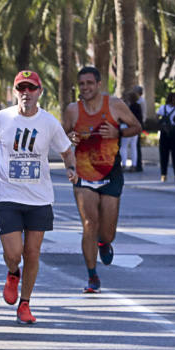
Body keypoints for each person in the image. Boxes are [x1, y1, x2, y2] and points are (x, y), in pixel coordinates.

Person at [0, 71, 75, 324]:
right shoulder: (1, 119)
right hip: (7, 195)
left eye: (31, 88)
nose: (26, 93)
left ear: (39, 92)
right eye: (21, 88)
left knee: (32, 253)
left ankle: (25, 304)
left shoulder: (49, 122)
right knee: (14, 253)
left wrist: (71, 169)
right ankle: (13, 273)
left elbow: (67, 150)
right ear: (14, 92)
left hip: (39, 198)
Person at [63, 65, 142, 294]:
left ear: (99, 85)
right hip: (83, 174)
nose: (85, 88)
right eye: (82, 84)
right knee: (89, 224)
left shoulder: (114, 105)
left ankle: (104, 243)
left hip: (110, 173)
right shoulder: (72, 110)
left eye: (89, 83)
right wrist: (70, 137)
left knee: (107, 232)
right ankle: (91, 276)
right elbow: (61, 135)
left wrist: (118, 133)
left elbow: (137, 126)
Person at [156, 92, 175, 182]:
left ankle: (163, 175)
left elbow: (156, 117)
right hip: (174, 132)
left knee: (163, 155)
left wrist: (162, 124)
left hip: (164, 132)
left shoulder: (163, 108)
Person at [119, 89, 141, 171]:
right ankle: (134, 165)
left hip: (126, 127)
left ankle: (124, 164)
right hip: (135, 127)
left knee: (124, 147)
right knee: (133, 147)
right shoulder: (137, 106)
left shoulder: (127, 106)